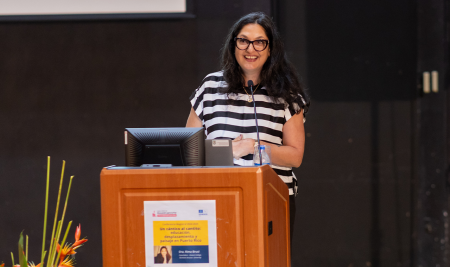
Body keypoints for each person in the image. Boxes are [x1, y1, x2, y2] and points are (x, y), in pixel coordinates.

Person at [186, 12, 309, 243]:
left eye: (259, 42)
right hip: (214, 196)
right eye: (243, 40)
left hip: (270, 197)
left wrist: (254, 147)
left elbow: (295, 156)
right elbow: (189, 150)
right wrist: (229, 151)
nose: (250, 49)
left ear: (270, 49)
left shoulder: (287, 95)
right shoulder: (211, 86)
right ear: (234, 45)